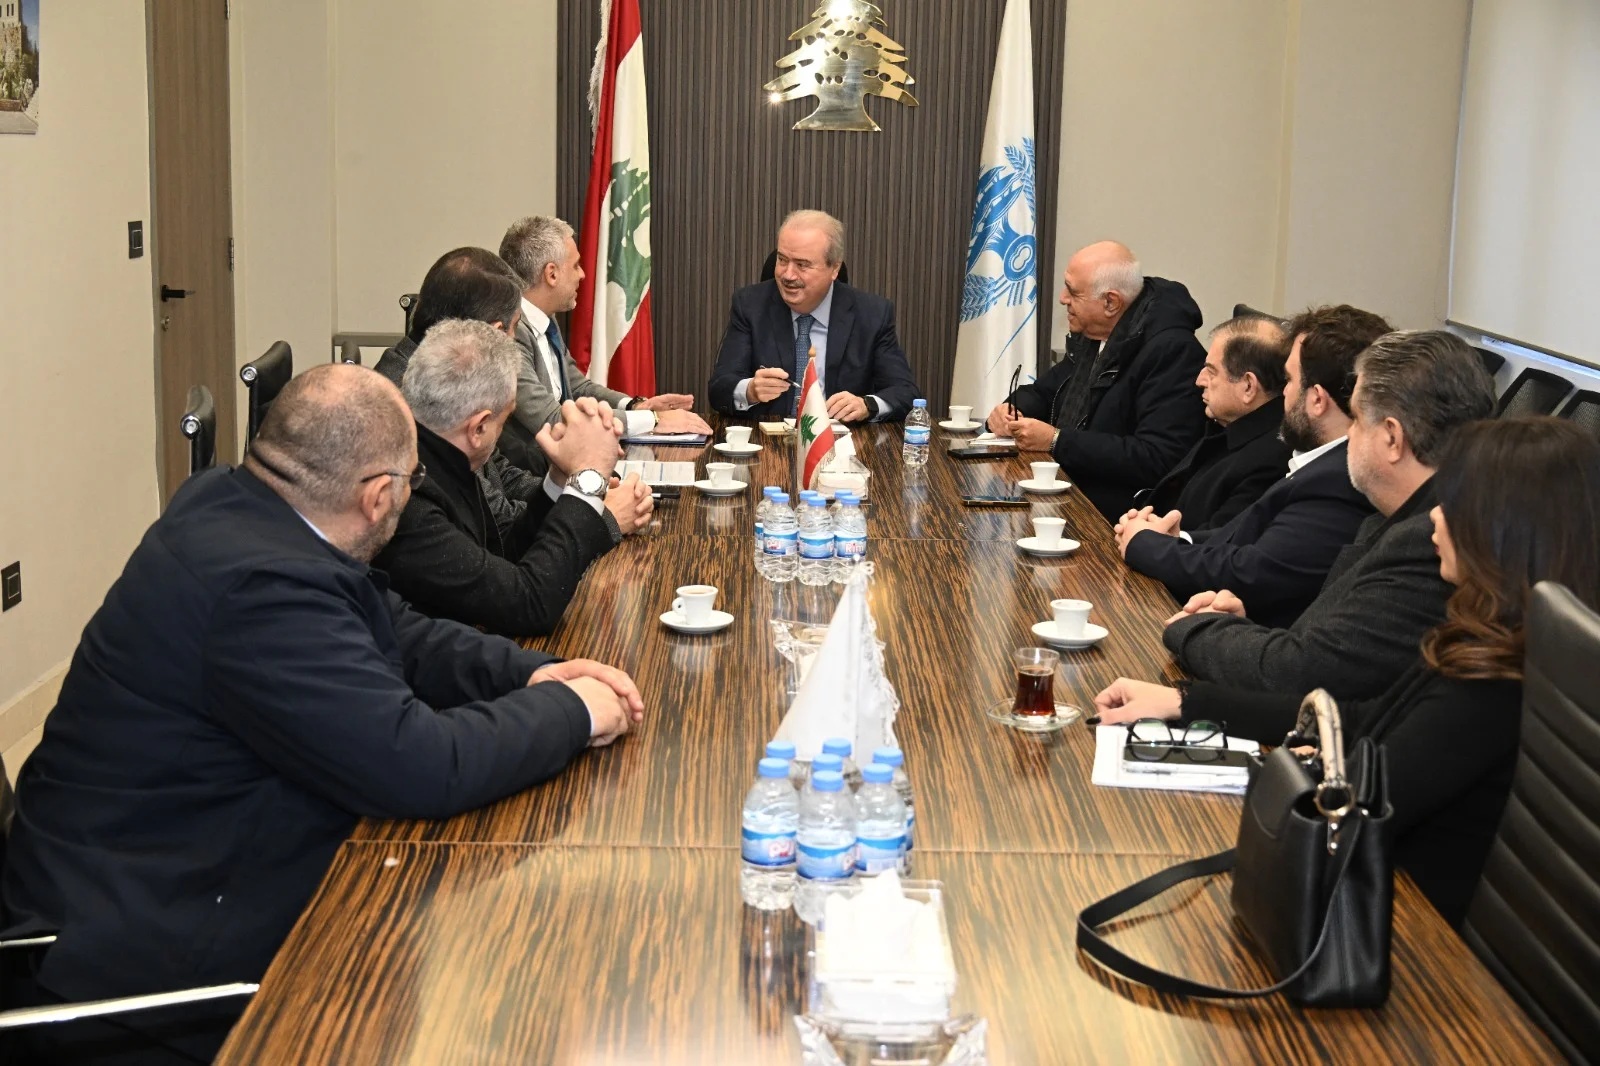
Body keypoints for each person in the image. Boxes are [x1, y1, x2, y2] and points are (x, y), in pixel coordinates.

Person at [0, 365, 645, 1064]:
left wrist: (530, 671)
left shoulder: (234, 502)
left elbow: (392, 626)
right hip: (147, 968)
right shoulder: (261, 589)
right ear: (377, 497)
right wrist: (569, 712)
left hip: (175, 869)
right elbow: (419, 764)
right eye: (412, 481)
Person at [1095, 417, 1600, 927]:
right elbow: (1359, 721)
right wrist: (1186, 703)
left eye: (1455, 503)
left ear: (1505, 531)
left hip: (1405, 935)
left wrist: (1292, 757)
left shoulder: (1492, 683)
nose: (1435, 516)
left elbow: (1359, 793)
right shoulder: (1492, 639)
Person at [1161, 329, 1497, 699]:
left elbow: (1302, 674)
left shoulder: (1426, 541)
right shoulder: (1396, 519)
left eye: (1356, 419)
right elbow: (1326, 646)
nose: (1347, 436)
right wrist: (1238, 627)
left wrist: (1195, 628)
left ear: (1391, 438)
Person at [373, 319, 652, 637]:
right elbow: (528, 605)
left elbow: (499, 555)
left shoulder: (439, 452)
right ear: (478, 428)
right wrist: (588, 479)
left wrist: (559, 479)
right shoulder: (408, 495)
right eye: (504, 421)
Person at [1116, 306, 1391, 626]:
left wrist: (1145, 544)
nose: (1282, 392)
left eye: (1289, 380)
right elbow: (1245, 537)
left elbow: (1253, 573)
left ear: (1317, 399)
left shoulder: (1341, 479)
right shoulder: (1322, 463)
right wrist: (1179, 539)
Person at [984, 241, 1208, 520]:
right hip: (1069, 490)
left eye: (1073, 292)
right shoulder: (1095, 333)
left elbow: (1158, 457)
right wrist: (1011, 409)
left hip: (1115, 516)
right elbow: (1047, 391)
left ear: (1111, 303)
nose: (1063, 299)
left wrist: (1057, 441)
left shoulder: (1172, 351)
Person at [498, 215, 711, 453]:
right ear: (552, 274)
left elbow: (577, 387)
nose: (582, 275)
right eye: (576, 265)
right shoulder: (509, 334)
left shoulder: (545, 320)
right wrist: (654, 420)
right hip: (532, 470)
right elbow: (554, 420)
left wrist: (634, 406)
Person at [375, 245, 551, 519]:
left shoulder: (446, 374)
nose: (515, 340)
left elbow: (499, 474)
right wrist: (587, 507)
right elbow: (496, 522)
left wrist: (570, 493)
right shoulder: (420, 399)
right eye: (515, 327)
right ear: (495, 333)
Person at [707, 209, 920, 422]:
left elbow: (906, 393)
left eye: (802, 265)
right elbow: (719, 389)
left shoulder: (872, 314)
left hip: (839, 438)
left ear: (834, 268)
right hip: (768, 438)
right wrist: (750, 390)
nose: (788, 274)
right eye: (782, 260)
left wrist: (866, 405)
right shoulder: (750, 305)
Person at [1129, 313, 1293, 529]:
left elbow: (1215, 542)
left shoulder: (1269, 463)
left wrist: (1145, 535)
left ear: (1248, 387)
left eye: (1212, 371)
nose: (1199, 380)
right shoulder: (1225, 425)